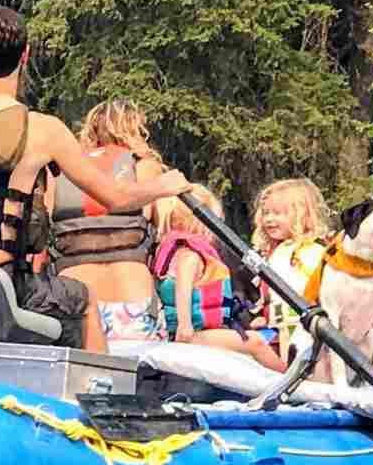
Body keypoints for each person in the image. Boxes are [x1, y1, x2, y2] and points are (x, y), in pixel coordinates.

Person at [0, 5, 188, 350]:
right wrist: (162, 185)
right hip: (1, 284)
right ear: (25, 56)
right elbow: (116, 199)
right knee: (82, 301)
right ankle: (95, 396)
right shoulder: (43, 130)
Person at [46, 99, 170, 344]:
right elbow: (166, 234)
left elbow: (38, 239)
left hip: (76, 303)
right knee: (139, 379)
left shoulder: (59, 172)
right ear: (135, 128)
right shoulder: (144, 167)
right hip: (132, 298)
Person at [152, 185, 287, 371]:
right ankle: (293, 384)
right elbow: (183, 290)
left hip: (199, 330)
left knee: (247, 342)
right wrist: (185, 327)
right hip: (191, 334)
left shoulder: (174, 251)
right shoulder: (189, 256)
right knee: (255, 342)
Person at [248, 177, 332, 359]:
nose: (269, 219)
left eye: (277, 213)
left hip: (301, 327)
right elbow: (274, 294)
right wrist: (268, 316)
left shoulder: (311, 251)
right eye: (266, 213)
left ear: (301, 216)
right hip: (281, 327)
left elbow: (315, 291)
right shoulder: (278, 250)